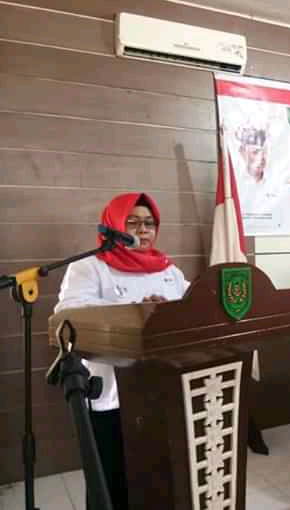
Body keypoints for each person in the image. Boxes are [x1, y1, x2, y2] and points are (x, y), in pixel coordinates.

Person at [54, 192, 189, 510]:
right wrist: (135, 311)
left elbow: (191, 307)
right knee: (111, 482)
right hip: (112, 394)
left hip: (162, 391)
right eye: (133, 222)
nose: (143, 230)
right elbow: (68, 314)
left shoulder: (168, 270)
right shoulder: (89, 267)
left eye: (149, 223)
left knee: (156, 477)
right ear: (114, 225)